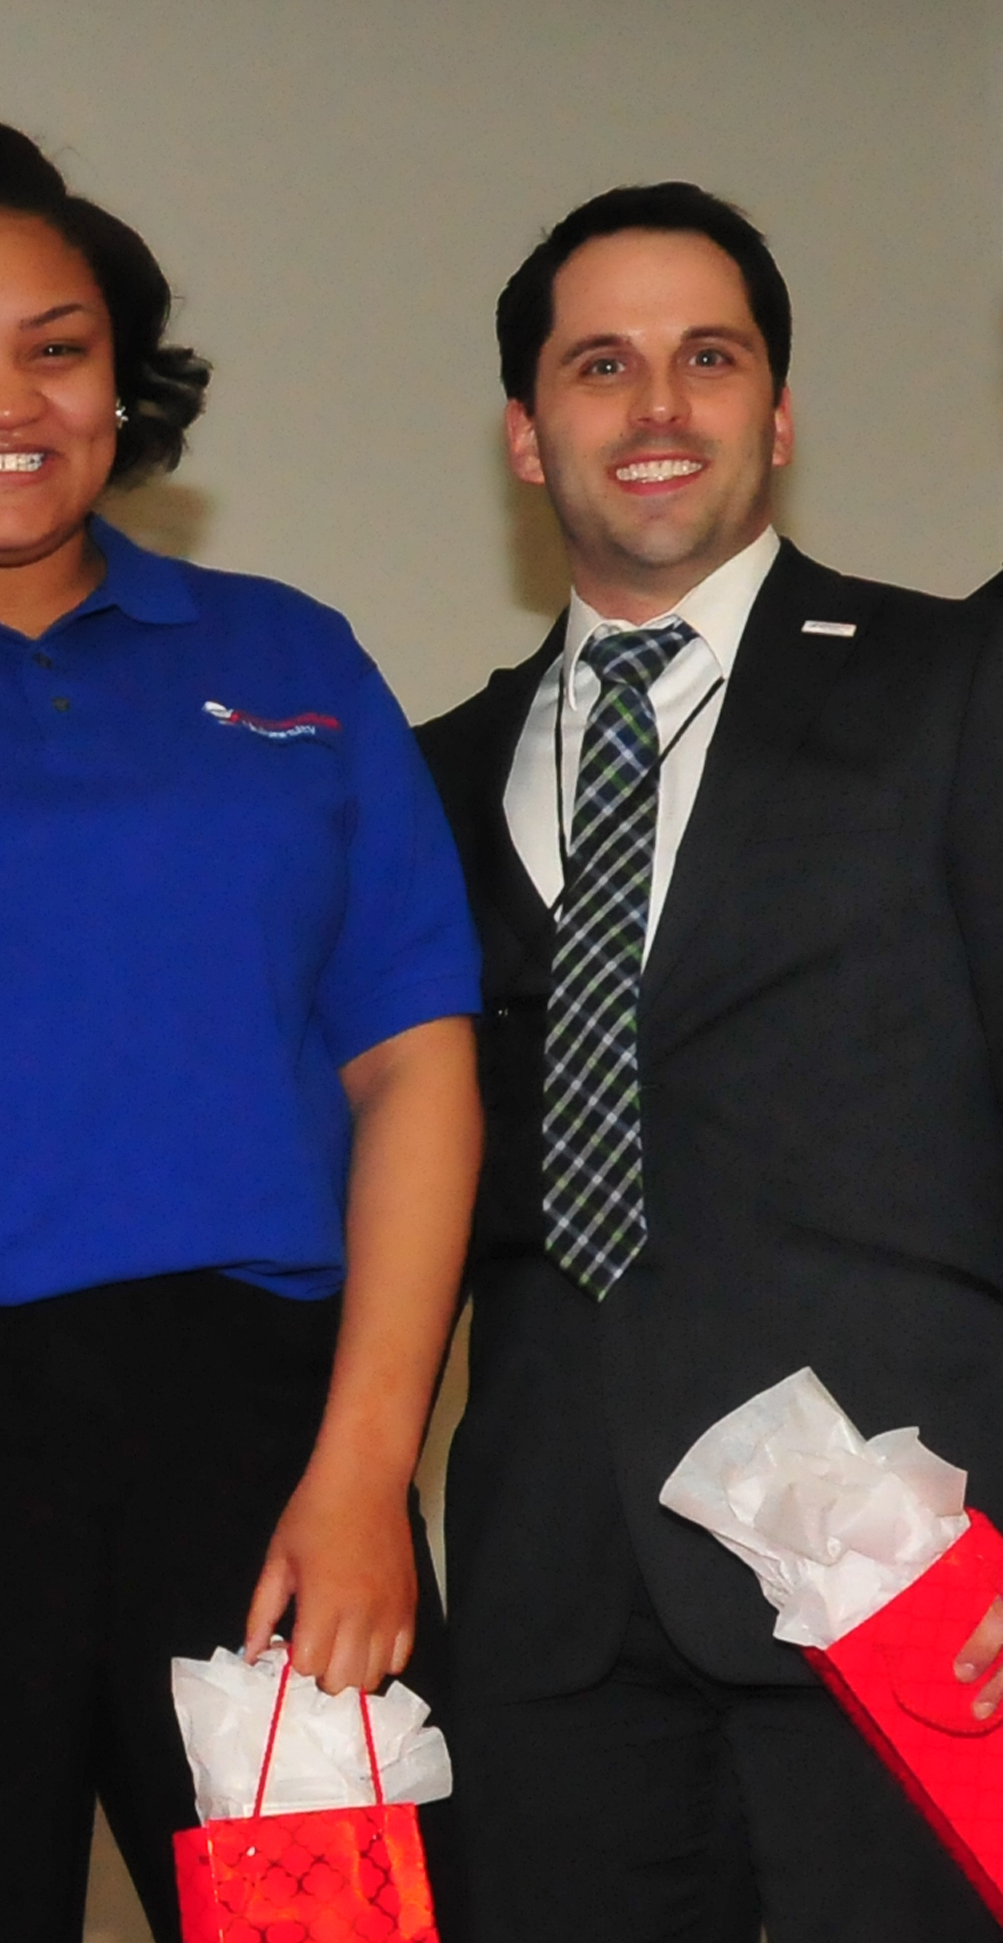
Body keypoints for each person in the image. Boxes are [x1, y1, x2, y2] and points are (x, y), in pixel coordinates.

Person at [0, 105, 485, 1942]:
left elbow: (417, 1065)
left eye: (57, 349)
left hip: (265, 1451)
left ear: (123, 382)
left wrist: (370, 1468)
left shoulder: (291, 658)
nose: (8, 399)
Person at [414, 183, 1003, 1941]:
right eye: (603, 365)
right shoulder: (425, 777)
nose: (657, 406)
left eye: (708, 358)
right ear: (528, 436)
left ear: (779, 412)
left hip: (913, 1580)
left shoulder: (954, 681)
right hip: (549, 1618)